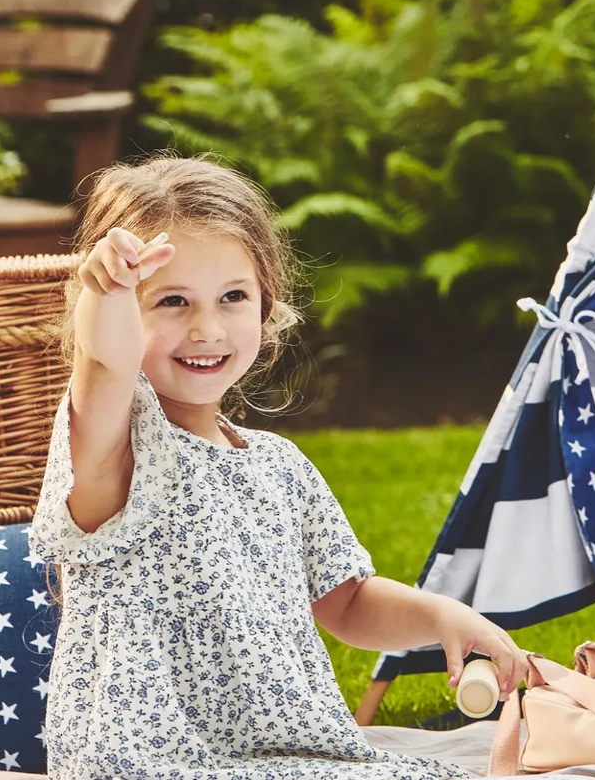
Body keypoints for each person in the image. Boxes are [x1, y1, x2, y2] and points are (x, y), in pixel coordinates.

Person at [30, 155, 522, 779]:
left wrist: (443, 616)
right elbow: (105, 364)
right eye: (172, 301)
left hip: (284, 756)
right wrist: (107, 294)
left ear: (266, 304)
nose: (207, 327)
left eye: (233, 297)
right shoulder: (114, 451)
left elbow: (347, 602)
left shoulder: (278, 466)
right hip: (150, 765)